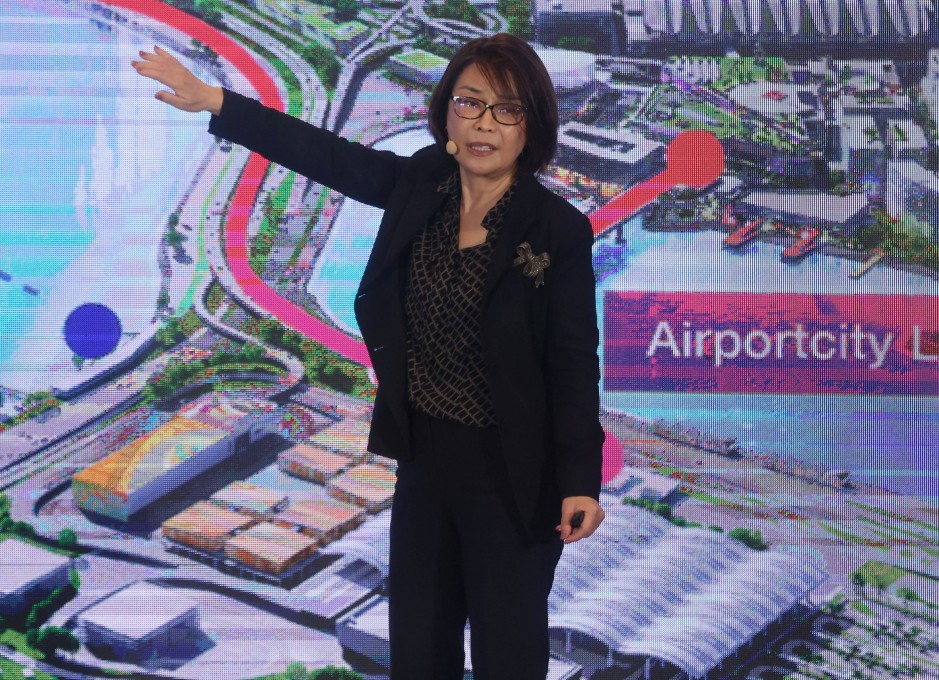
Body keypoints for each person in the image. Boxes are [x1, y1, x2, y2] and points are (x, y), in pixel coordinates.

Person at [133, 33, 606, 679]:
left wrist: (580, 480)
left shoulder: (557, 229)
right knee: (418, 645)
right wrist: (218, 101)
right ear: (446, 112)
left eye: (507, 109)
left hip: (516, 473)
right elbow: (325, 156)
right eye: (469, 103)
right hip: (424, 458)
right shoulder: (422, 183)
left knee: (507, 652)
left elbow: (573, 362)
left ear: (532, 125)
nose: (484, 123)